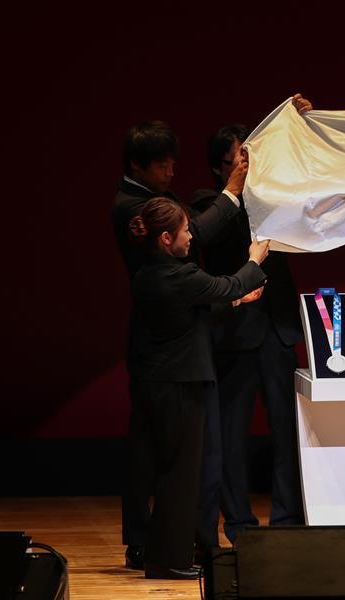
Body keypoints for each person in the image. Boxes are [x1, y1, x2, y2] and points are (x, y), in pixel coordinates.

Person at [112, 120, 247, 570]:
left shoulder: (156, 199)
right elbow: (198, 234)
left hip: (175, 346)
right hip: (167, 355)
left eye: (173, 162)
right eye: (162, 165)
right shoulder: (132, 208)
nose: (172, 171)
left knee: (178, 457)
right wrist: (231, 193)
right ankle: (153, 545)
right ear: (137, 166)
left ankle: (177, 543)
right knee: (164, 458)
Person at [128, 196, 270, 579]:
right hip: (179, 383)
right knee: (180, 475)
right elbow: (229, 284)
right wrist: (255, 259)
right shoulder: (178, 275)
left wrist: (235, 300)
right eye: (185, 231)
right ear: (165, 238)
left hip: (164, 381)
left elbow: (195, 312)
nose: (191, 236)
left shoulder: (150, 273)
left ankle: (164, 555)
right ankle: (169, 560)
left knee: (174, 472)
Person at [191, 121, 307, 542]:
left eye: (249, 161)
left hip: (278, 329)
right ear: (218, 167)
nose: (245, 168)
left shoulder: (273, 192)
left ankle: (287, 520)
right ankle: (239, 525)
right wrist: (236, 189)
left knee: (288, 430)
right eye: (236, 162)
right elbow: (210, 238)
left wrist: (298, 127)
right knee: (231, 435)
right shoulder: (208, 204)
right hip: (234, 331)